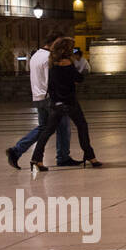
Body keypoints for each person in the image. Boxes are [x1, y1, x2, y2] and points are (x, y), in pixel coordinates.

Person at [6, 31, 77, 169]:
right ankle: (63, 157)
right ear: (54, 42)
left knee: (43, 128)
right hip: (50, 98)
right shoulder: (50, 57)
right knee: (63, 127)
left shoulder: (36, 55)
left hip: (38, 97)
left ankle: (16, 150)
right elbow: (52, 80)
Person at [28, 38, 100, 170]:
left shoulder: (52, 64)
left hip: (56, 102)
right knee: (82, 126)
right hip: (70, 102)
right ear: (66, 49)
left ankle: (36, 158)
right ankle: (90, 156)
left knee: (47, 131)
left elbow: (51, 85)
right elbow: (79, 78)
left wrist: (55, 100)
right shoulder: (68, 63)